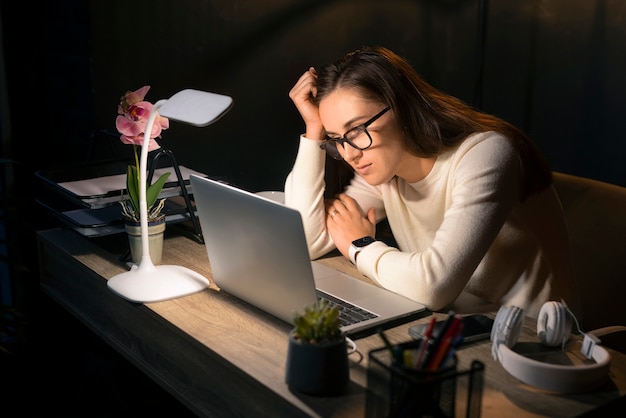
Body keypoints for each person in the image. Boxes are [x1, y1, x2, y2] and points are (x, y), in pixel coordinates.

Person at [284, 46, 577, 318]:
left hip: (528, 343)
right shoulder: (383, 170)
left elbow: (433, 287)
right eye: (337, 140)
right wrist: (314, 132)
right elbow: (304, 242)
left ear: (401, 106)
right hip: (449, 324)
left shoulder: (486, 153)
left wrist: (359, 246)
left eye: (357, 129)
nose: (350, 154)